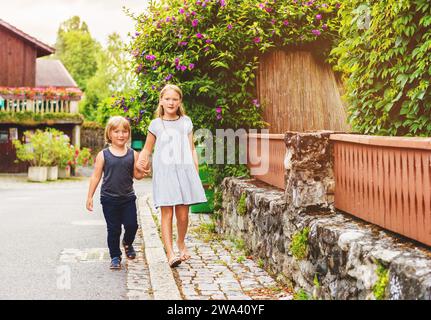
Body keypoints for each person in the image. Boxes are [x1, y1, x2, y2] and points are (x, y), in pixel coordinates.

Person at [137, 84, 207, 268]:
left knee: (183, 215)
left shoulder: (186, 122)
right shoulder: (156, 124)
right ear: (161, 101)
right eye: (167, 99)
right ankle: (170, 254)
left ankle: (181, 243)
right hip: (164, 173)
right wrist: (141, 163)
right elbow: (147, 149)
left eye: (174, 99)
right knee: (167, 213)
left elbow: (191, 148)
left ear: (180, 101)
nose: (171, 102)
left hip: (184, 172)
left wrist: (195, 172)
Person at [86, 116, 150, 270]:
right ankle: (115, 256)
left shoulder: (133, 154)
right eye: (117, 132)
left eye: (124, 131)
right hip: (108, 199)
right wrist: (90, 196)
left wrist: (143, 172)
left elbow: (137, 175)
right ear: (110, 134)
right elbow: (96, 176)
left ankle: (127, 243)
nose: (121, 135)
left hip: (128, 198)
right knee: (113, 229)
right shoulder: (103, 155)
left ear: (128, 134)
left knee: (132, 225)